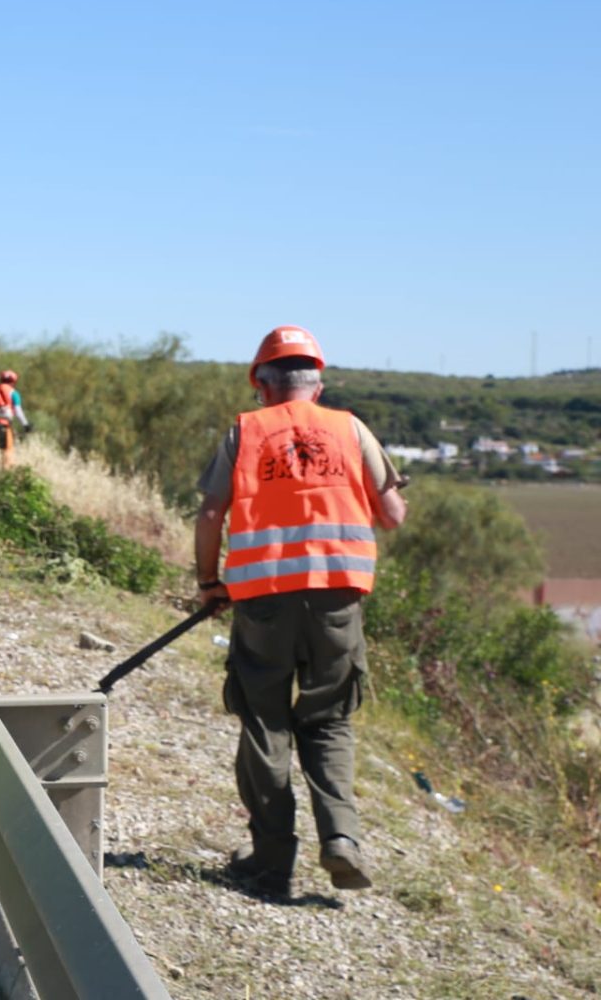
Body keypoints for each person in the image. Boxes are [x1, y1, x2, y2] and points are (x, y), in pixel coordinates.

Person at [193, 325, 407, 897]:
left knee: (265, 721)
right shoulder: (351, 428)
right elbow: (393, 516)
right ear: (318, 383)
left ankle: (270, 861)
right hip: (338, 596)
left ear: (261, 383)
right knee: (329, 718)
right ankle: (341, 839)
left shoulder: (246, 430)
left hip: (262, 600)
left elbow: (212, 514)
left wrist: (209, 582)